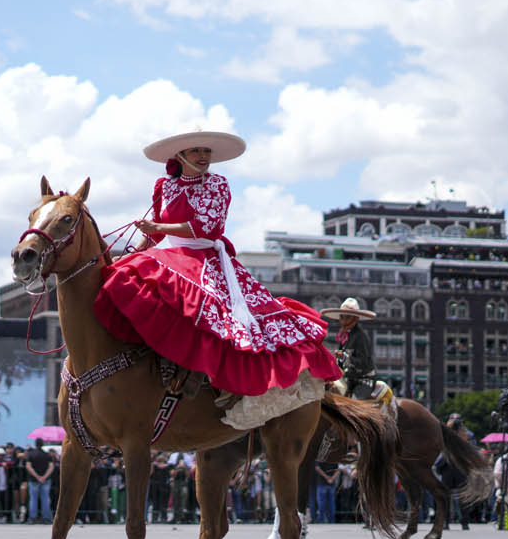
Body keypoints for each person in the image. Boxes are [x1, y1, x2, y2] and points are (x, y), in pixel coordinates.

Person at [93, 130, 340, 425]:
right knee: (121, 275)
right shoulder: (164, 186)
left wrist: (157, 226)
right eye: (196, 151)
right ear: (180, 156)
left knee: (210, 314)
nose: (203, 157)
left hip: (204, 256)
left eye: (206, 152)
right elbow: (156, 235)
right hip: (170, 254)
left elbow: (207, 227)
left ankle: (201, 374)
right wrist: (136, 250)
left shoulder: (217, 185)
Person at [320, 298, 376, 399]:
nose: (344, 320)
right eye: (342, 317)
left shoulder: (361, 336)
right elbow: (342, 362)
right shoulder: (345, 335)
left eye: (347, 317)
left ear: (355, 319)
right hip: (347, 379)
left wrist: (344, 357)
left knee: (354, 405)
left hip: (363, 381)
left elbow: (363, 362)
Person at [23, 445, 53, 524]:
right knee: (45, 499)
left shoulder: (31, 454)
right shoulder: (47, 454)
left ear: (36, 445)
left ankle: (33, 518)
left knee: (33, 499)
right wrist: (44, 477)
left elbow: (28, 466)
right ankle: (46, 518)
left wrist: (37, 477)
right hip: (45, 480)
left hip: (34, 480)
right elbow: (51, 467)